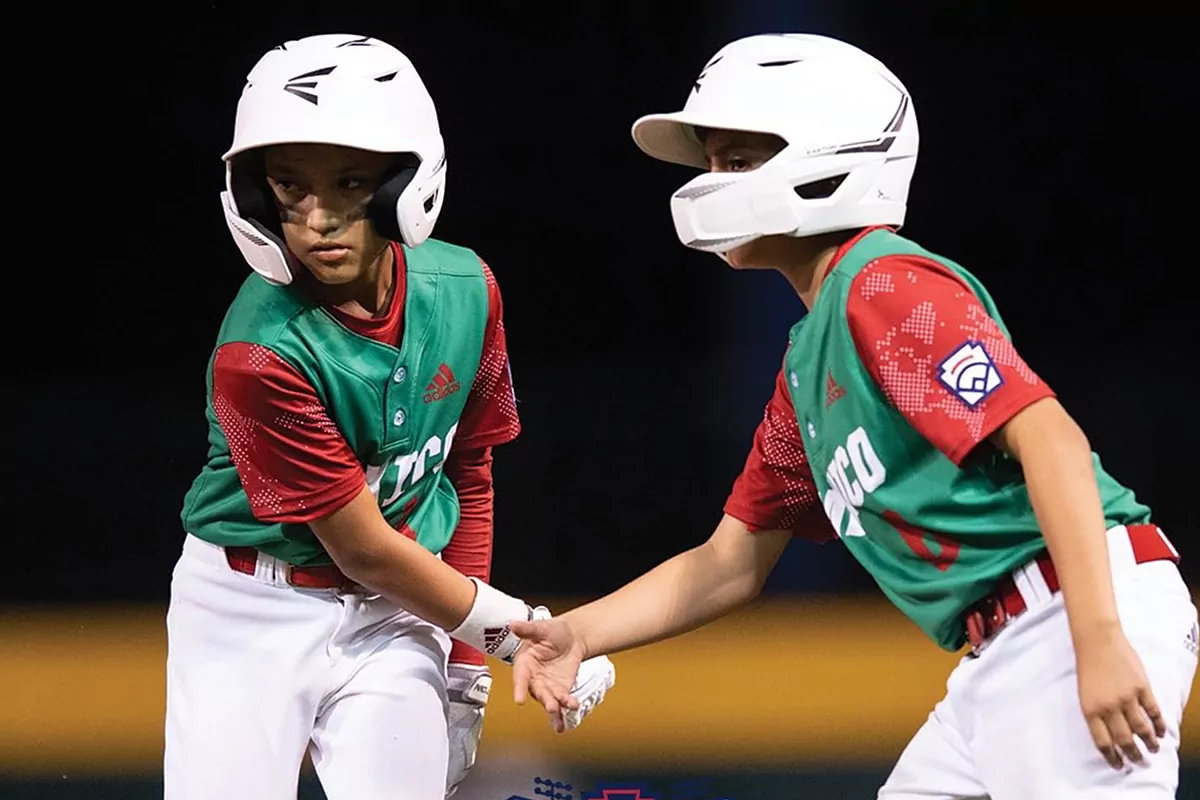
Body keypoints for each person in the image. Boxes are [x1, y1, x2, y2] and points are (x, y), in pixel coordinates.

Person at [510, 33, 1197, 799]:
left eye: (739, 161)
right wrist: (580, 632)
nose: (712, 183)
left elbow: (1051, 439)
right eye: (711, 162)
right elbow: (729, 563)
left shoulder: (882, 287)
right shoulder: (810, 364)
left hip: (1071, 609)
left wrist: (1096, 637)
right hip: (1005, 644)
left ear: (835, 156)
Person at [165, 33, 613, 800]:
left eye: (349, 181)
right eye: (287, 186)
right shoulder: (259, 352)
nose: (316, 218)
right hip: (245, 614)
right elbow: (362, 549)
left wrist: (466, 675)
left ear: (408, 180)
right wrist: (513, 632)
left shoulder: (469, 287)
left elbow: (465, 477)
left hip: (399, 614)